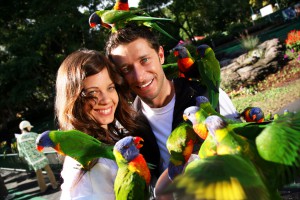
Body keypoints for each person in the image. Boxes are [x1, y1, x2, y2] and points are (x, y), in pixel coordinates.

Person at [105, 23, 239, 198]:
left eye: (144, 60)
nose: (139, 76)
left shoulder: (207, 97)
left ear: (160, 55)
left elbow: (243, 156)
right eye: (126, 69)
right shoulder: (128, 127)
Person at [55, 49, 159, 199]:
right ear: (74, 100)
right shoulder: (86, 165)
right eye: (92, 93)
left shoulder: (110, 140)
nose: (106, 99)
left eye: (110, 88)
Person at [17, 120, 58, 193]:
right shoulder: (33, 134)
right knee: (48, 171)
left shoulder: (19, 139)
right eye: (29, 127)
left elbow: (21, 153)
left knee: (38, 174)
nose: (30, 128)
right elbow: (42, 143)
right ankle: (54, 185)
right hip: (41, 156)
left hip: (32, 160)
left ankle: (43, 189)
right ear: (26, 127)